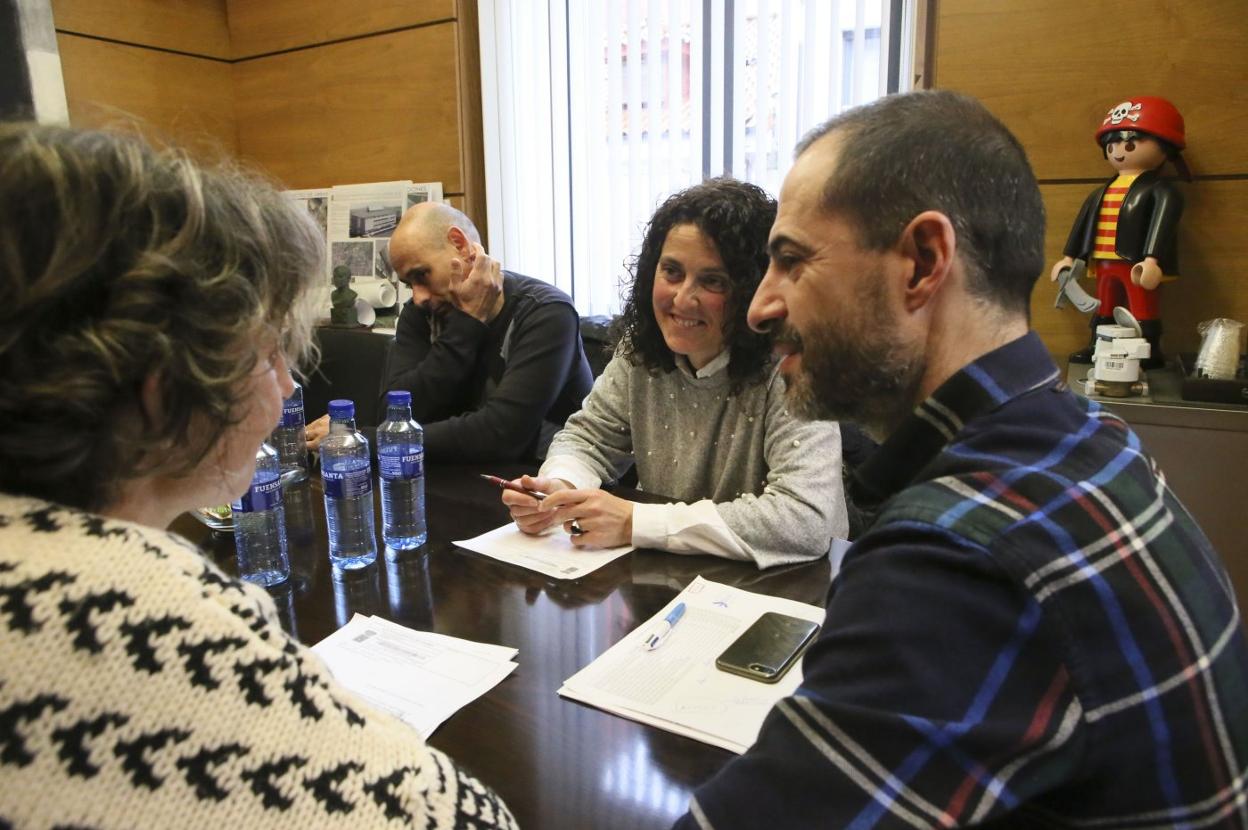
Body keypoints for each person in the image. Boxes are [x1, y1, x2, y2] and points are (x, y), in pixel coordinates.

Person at [677, 91, 1248, 827]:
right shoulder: (1089, 436)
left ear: (922, 261)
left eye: (790, 260)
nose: (759, 307)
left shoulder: (958, 556)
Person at [0, 124, 515, 828]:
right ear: (165, 392)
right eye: (272, 353)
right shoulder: (138, 617)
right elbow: (469, 819)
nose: (283, 388)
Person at [503, 178, 849, 569]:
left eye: (712, 281)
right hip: (674, 574)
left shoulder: (793, 362)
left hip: (795, 586)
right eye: (671, 272)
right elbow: (588, 437)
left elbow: (804, 519)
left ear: (752, 288)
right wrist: (560, 489)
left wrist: (636, 521)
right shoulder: (641, 349)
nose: (682, 298)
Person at [305, 202, 593, 462]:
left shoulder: (547, 312)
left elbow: (502, 435)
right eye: (409, 283)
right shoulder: (423, 311)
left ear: (459, 245)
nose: (417, 296)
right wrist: (467, 324)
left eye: (422, 274)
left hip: (541, 485)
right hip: (460, 479)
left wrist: (368, 440)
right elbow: (395, 412)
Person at [1050, 96, 1187, 368]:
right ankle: (1098, 345)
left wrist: (1151, 259)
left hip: (1134, 263)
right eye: (1112, 145)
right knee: (1104, 305)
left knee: (1142, 306)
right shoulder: (1101, 192)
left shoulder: (1160, 190)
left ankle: (1148, 351)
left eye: (1130, 144)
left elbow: (1162, 225)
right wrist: (1068, 258)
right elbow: (1083, 224)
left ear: (1166, 148)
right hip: (1103, 262)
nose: (1119, 152)